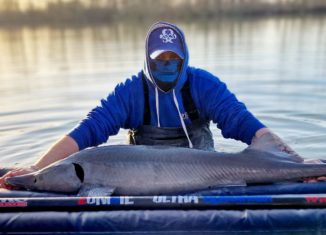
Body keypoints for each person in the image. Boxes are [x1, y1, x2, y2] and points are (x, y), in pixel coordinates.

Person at [0, 21, 307, 188]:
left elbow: (246, 125)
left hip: (205, 167)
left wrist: (298, 164)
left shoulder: (204, 85)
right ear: (147, 61)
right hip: (141, 176)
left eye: (174, 59)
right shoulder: (130, 92)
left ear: (184, 57)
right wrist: (39, 168)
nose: (167, 65)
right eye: (160, 59)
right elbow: (88, 131)